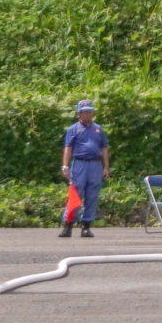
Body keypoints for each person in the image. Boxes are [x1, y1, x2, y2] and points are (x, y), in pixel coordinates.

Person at [58, 99, 109, 238]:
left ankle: (86, 226)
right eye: (85, 112)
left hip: (95, 164)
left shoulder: (98, 129)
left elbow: (104, 148)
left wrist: (106, 167)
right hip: (80, 163)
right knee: (75, 193)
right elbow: (68, 148)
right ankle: (68, 226)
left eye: (90, 111)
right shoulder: (73, 129)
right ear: (79, 113)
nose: (87, 114)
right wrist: (65, 166)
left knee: (92, 195)